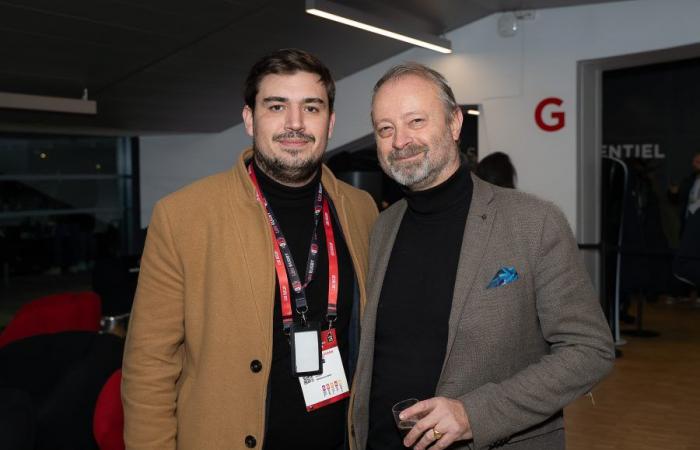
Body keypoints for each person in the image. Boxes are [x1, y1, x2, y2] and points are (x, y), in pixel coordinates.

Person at [122, 49, 378, 450]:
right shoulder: (182, 216)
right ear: (249, 119)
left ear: (330, 123)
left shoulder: (360, 210)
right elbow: (148, 366)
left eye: (310, 108)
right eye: (276, 106)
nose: (294, 123)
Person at [349, 63, 614, 450]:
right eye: (385, 129)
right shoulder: (382, 227)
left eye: (416, 121)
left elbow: (589, 350)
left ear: (455, 123)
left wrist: (475, 413)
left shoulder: (533, 222)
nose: (400, 140)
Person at [669, 151, 700, 235]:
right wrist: (674, 193)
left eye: (698, 162)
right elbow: (677, 199)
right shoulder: (690, 180)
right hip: (689, 222)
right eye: (693, 161)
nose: (694, 164)